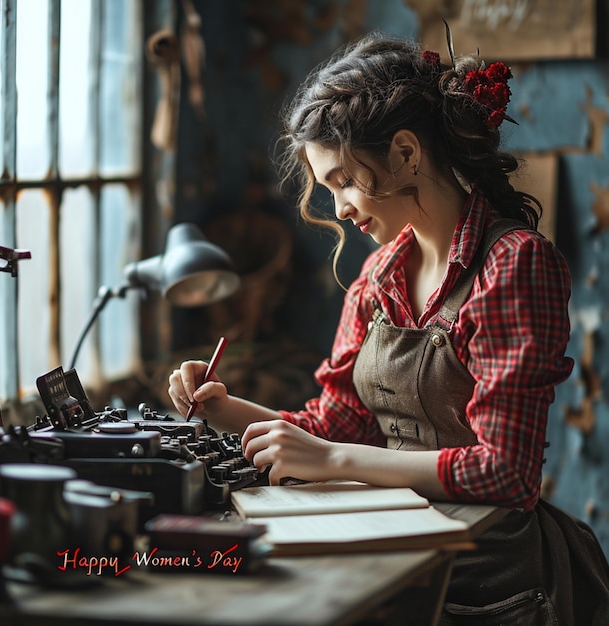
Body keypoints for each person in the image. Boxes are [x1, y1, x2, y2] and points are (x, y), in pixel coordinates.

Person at [169, 31, 609, 624]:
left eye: (345, 182)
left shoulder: (512, 264)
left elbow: (504, 473)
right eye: (330, 190)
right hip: (394, 551)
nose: (341, 210)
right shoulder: (377, 276)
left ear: (405, 153)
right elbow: (333, 426)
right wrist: (224, 408)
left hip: (489, 581)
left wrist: (337, 461)